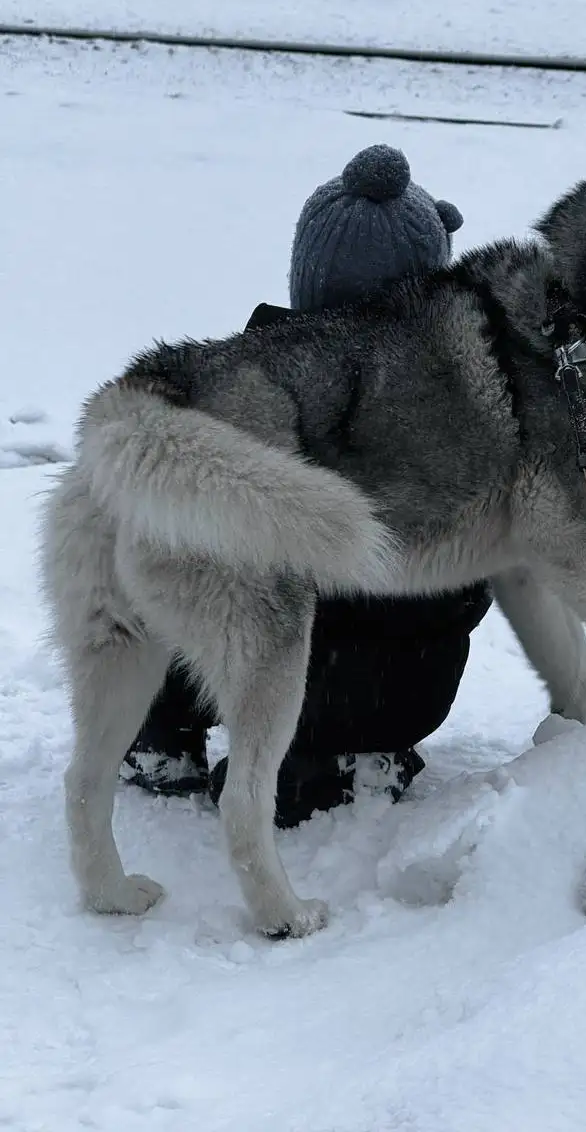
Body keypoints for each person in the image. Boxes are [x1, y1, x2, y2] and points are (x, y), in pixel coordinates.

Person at [121, 144, 493, 828]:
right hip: (391, 685)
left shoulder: (230, 383)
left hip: (229, 660)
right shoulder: (454, 409)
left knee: (167, 553)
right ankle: (338, 757)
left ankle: (161, 733)